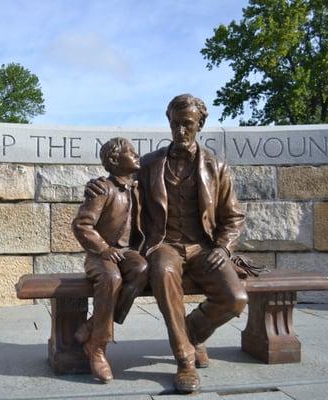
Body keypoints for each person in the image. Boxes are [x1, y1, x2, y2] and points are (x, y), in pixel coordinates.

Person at [86, 94, 248, 393]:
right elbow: (115, 178)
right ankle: (185, 359)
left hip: (205, 247)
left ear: (200, 124)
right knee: (162, 270)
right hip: (164, 245)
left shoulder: (217, 167)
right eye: (175, 124)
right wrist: (95, 184)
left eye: (187, 124)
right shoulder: (149, 164)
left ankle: (191, 332)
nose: (181, 131)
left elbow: (233, 217)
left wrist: (224, 248)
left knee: (236, 298)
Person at [72, 137, 148, 383]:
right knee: (111, 277)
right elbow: (82, 224)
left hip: (127, 253)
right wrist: (103, 248)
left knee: (142, 268)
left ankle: (94, 323)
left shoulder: (138, 188)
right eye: (131, 152)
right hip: (100, 256)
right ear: (115, 160)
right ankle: (98, 347)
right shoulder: (103, 188)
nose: (137, 156)